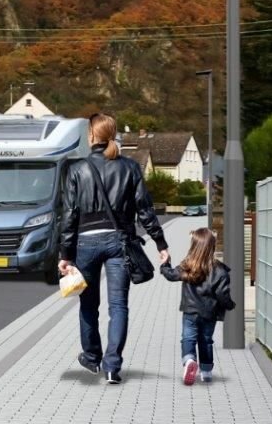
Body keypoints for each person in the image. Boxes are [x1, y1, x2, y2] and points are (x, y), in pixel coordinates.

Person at [58, 113, 170, 384]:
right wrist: (161, 243)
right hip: (120, 241)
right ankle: (112, 366)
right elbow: (145, 210)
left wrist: (65, 255)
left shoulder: (76, 169)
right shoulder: (130, 167)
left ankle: (92, 357)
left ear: (91, 136)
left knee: (88, 304)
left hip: (86, 242)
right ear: (112, 134)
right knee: (118, 306)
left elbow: (69, 215)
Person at [160, 228, 236, 385]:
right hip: (209, 313)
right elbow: (223, 295)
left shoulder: (188, 265)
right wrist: (230, 305)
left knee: (188, 338)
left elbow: (171, 275)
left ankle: (189, 360)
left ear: (193, 246)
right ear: (212, 247)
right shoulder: (220, 271)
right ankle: (206, 371)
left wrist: (165, 263)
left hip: (190, 311)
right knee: (206, 340)